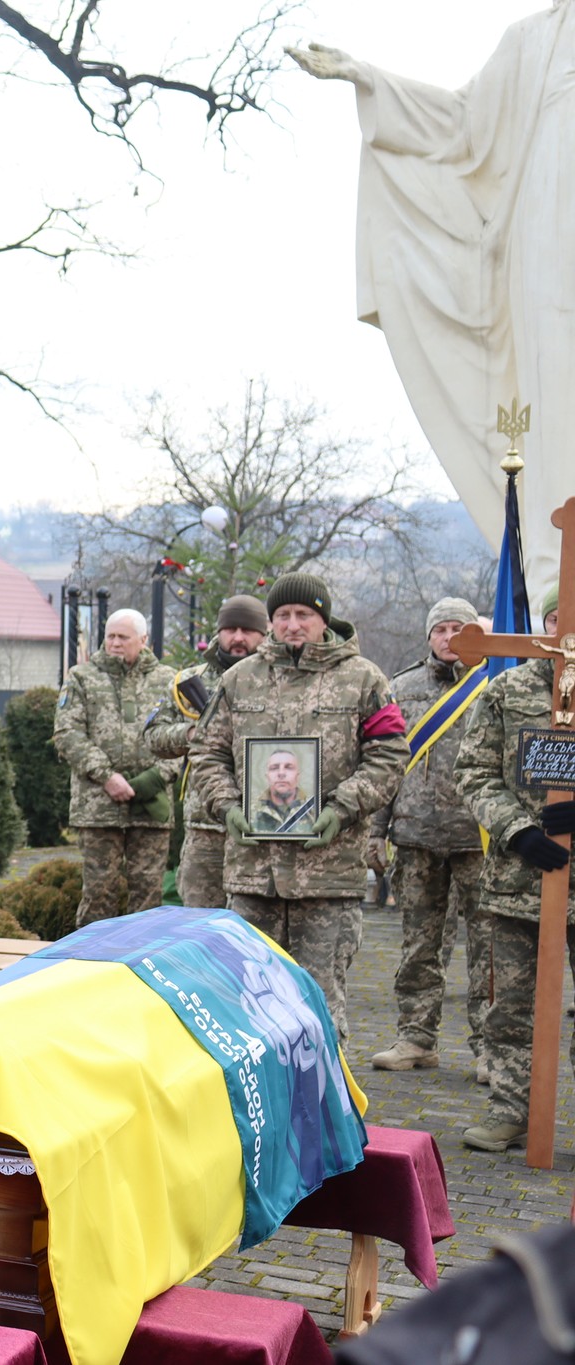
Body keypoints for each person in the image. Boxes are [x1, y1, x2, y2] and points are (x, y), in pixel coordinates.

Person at [290, 15, 575, 593]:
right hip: (549, 240)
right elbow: (462, 125)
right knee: (555, 388)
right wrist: (369, 79)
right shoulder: (535, 39)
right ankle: (559, 575)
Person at [192, 572, 408, 1032]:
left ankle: (326, 1083)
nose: (293, 624)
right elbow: (207, 753)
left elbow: (389, 755)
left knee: (320, 1005)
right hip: (254, 874)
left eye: (304, 614)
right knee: (250, 1004)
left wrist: (342, 808)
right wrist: (227, 806)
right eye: (283, 615)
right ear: (271, 621)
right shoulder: (238, 679)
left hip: (328, 875)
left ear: (323, 619)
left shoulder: (363, 679)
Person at [454, 585, 575, 1152]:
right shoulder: (507, 690)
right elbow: (473, 771)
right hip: (519, 882)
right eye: (555, 618)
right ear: (541, 626)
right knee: (511, 1009)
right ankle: (510, 1110)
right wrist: (519, 831)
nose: (565, 629)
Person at [371, 596, 493, 1078]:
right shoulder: (400, 687)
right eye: (440, 630)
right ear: (427, 636)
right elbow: (385, 764)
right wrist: (376, 832)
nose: (448, 638)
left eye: (458, 629)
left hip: (479, 838)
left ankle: (489, 1048)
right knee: (419, 946)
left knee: (488, 949)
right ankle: (417, 1038)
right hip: (416, 835)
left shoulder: (494, 685)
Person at [52, 608, 179, 925]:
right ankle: (90, 954)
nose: (115, 643)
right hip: (99, 806)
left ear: (143, 640)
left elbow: (185, 737)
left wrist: (156, 777)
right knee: (99, 894)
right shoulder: (82, 678)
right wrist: (107, 777)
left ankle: (144, 955)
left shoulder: (168, 680)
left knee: (148, 896)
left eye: (123, 637)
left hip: (150, 807)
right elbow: (67, 734)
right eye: (110, 636)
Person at [146, 594, 268, 907]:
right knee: (200, 921)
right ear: (219, 631)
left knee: (256, 923)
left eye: (247, 630)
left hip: (264, 825)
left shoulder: (280, 679)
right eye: (230, 629)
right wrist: (191, 733)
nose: (238, 637)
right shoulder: (189, 682)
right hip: (205, 827)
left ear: (264, 633)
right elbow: (152, 736)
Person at [252, 749, 316, 834]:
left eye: (289, 767)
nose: (281, 773)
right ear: (267, 777)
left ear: (297, 776)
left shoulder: (314, 809)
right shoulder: (250, 811)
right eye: (274, 768)